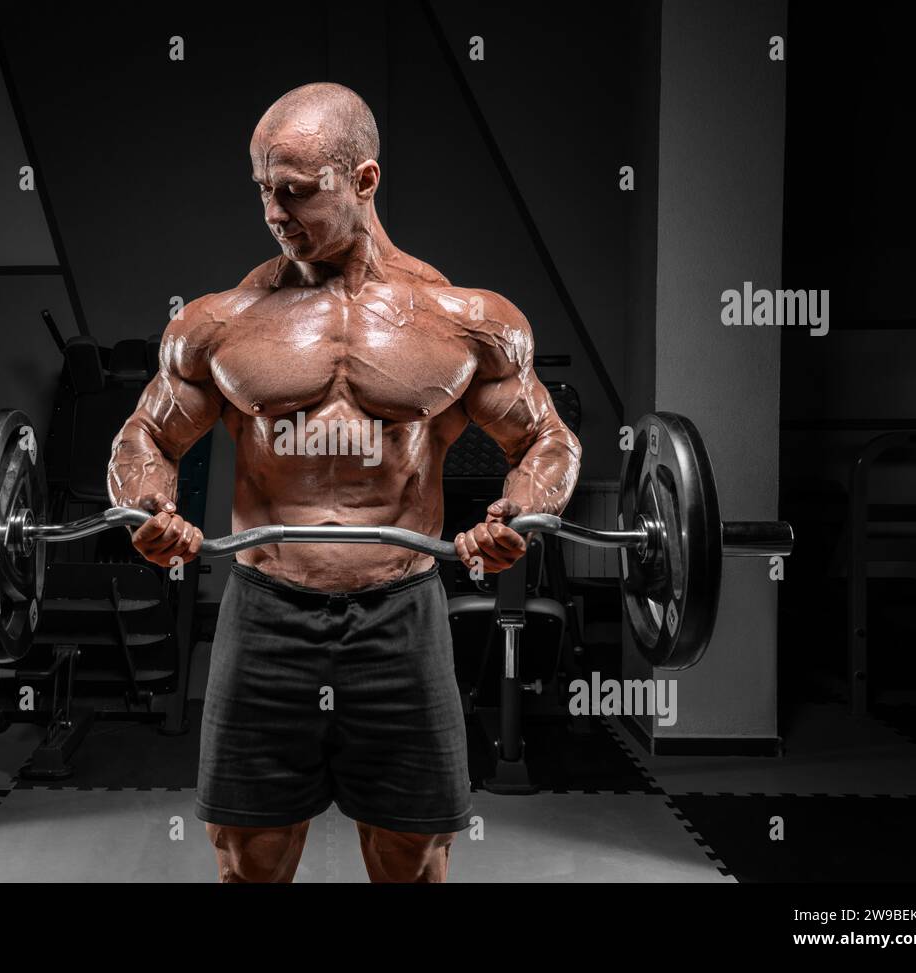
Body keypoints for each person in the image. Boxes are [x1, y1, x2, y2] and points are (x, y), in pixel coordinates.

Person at [107, 82, 580, 882]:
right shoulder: (220, 322)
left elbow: (547, 440)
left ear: (364, 180)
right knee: (249, 860)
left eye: (295, 191)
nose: (274, 213)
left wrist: (519, 517)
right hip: (265, 613)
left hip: (400, 611)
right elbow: (143, 434)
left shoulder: (463, 318)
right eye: (263, 190)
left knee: (412, 858)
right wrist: (147, 510)